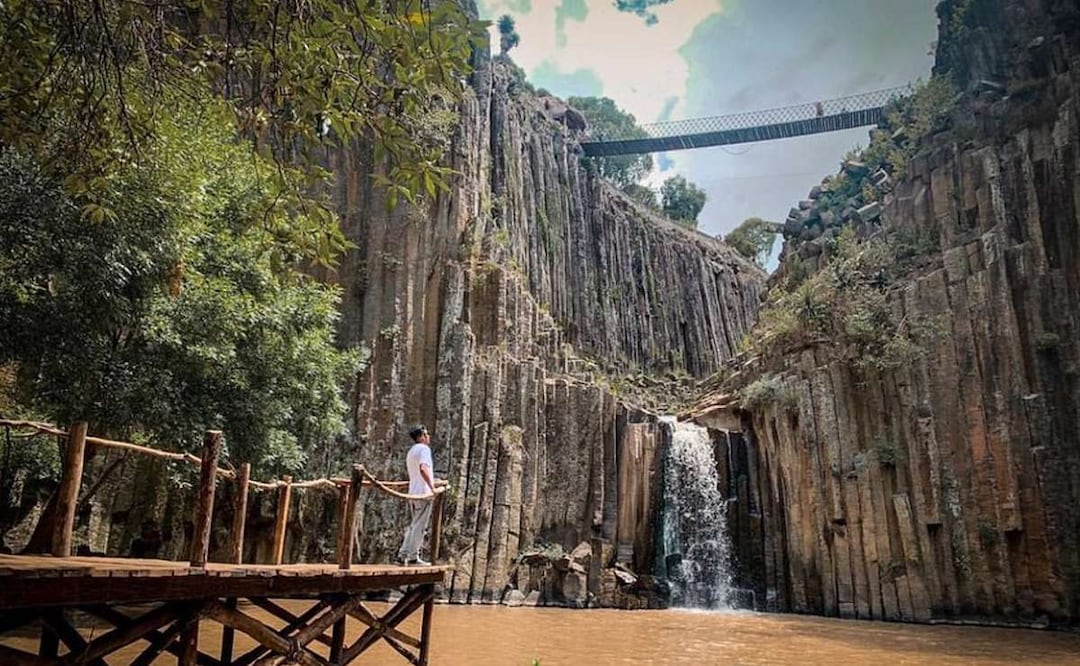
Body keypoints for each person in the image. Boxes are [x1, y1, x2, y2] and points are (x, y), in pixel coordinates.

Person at [396, 424, 443, 566]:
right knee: (420, 526)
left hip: (413, 491)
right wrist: (432, 487)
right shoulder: (424, 449)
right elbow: (423, 469)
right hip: (423, 493)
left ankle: (402, 554)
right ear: (421, 436)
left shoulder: (411, 451)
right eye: (426, 434)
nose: (428, 437)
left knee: (414, 524)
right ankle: (412, 557)